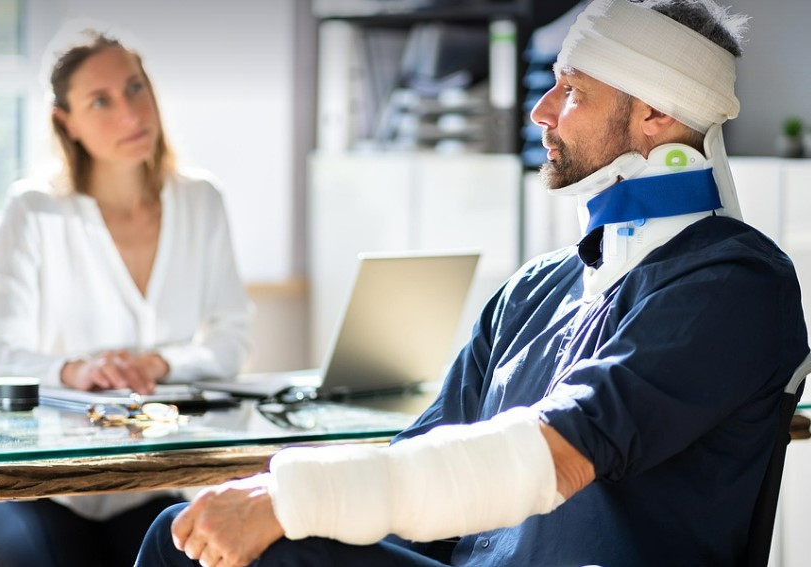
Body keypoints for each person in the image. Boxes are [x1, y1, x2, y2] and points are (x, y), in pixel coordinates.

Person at [134, 0, 810, 566]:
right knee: (184, 533)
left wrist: (294, 498)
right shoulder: (536, 288)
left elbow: (558, 456)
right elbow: (423, 465)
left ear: (658, 117)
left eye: (573, 91)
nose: (541, 111)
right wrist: (270, 503)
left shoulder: (734, 285)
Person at [0, 26, 253, 567]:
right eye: (100, 101)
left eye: (135, 88)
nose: (131, 114)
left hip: (154, 486)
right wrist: (77, 370)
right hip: (38, 489)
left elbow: (232, 337)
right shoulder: (34, 211)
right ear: (66, 122)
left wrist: (159, 362)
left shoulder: (201, 201)